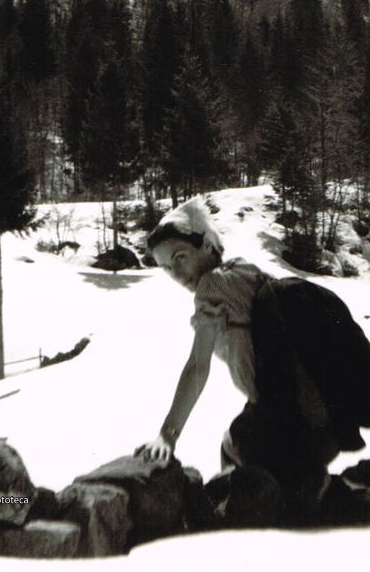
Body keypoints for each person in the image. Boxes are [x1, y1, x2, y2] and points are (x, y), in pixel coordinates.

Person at [136, 197, 340, 522]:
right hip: (326, 420)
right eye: (165, 267)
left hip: (280, 427)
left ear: (205, 245)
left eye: (180, 257)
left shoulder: (212, 287)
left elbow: (197, 365)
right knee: (236, 438)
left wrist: (168, 434)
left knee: (234, 459)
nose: (176, 273)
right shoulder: (245, 269)